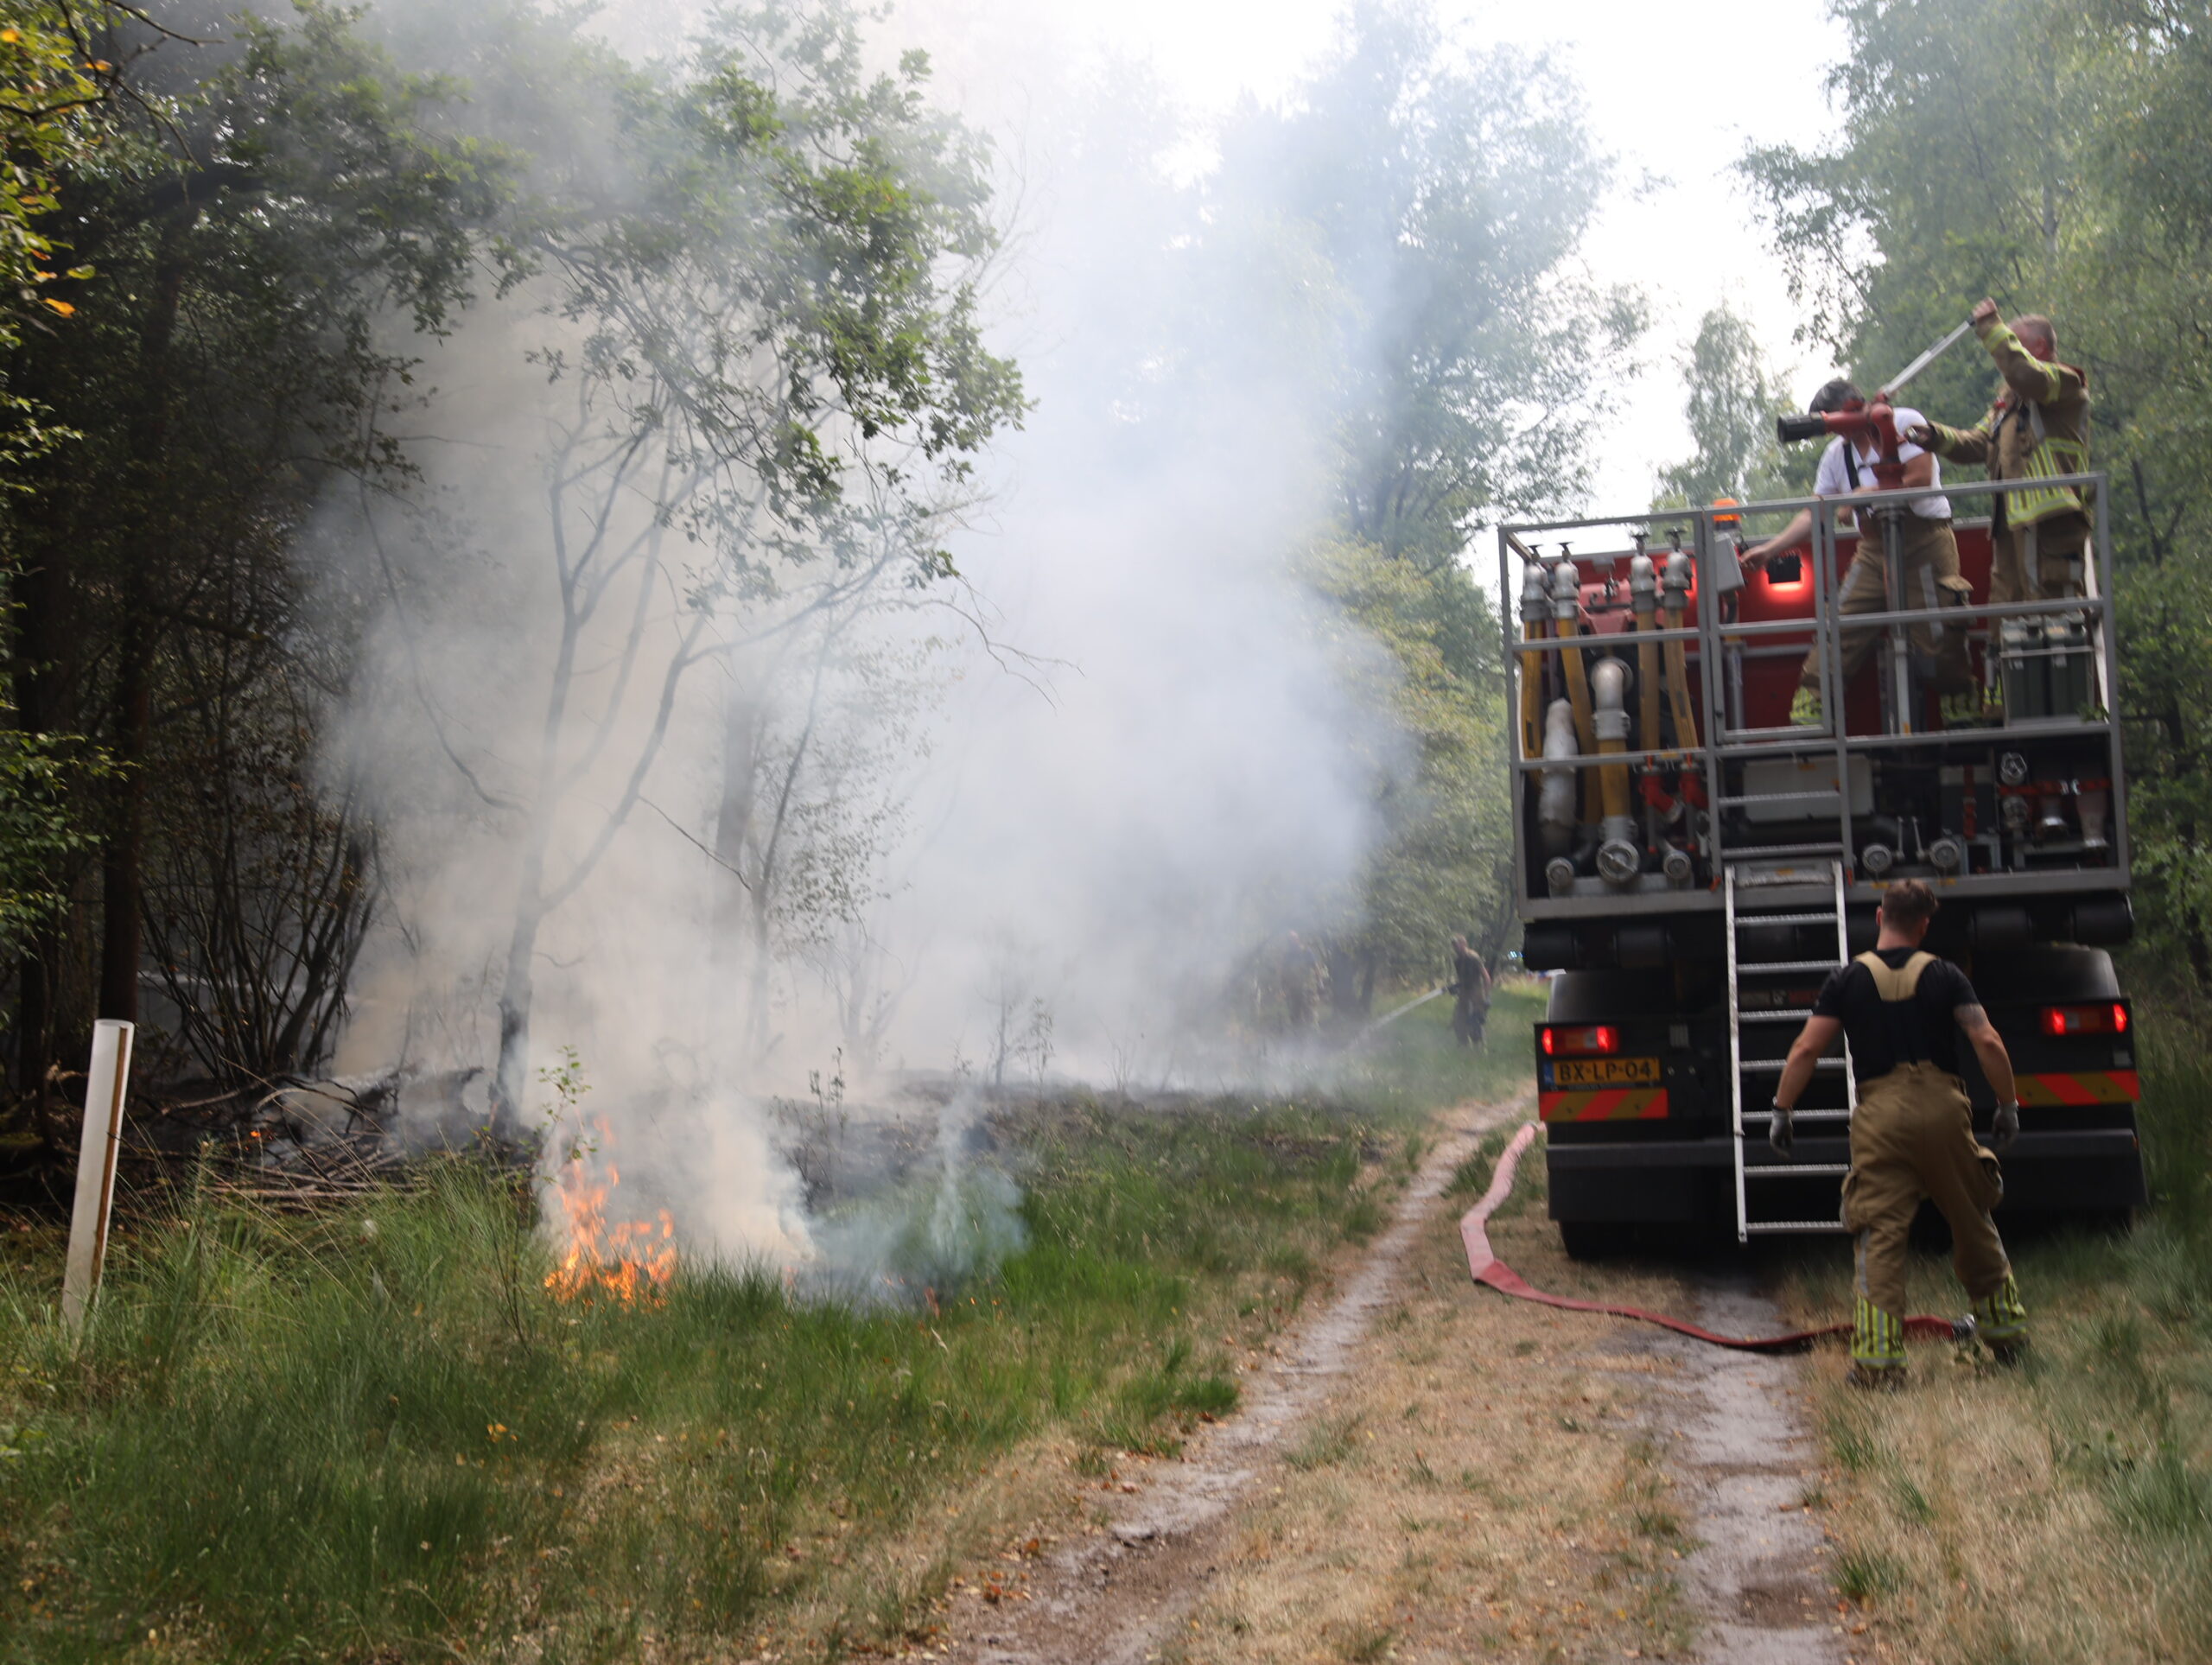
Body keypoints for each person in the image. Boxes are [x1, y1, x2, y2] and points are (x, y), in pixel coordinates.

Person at [1769, 879, 2027, 1389]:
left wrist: (1782, 1110)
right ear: (1924, 925)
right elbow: (1987, 1040)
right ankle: (2007, 1336)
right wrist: (2007, 1105)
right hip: (1944, 1107)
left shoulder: (1846, 980)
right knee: (1972, 1219)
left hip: (1880, 1115)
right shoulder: (1945, 975)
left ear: (1880, 915)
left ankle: (1879, 1365)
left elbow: (1805, 1050)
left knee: (1880, 1236)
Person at [1744, 378, 1973, 728]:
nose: (1834, 433)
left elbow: (1921, 476)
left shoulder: (1903, 422)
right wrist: (1771, 548)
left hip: (1925, 543)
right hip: (1874, 550)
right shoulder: (1837, 455)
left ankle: (1959, 705)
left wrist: (1862, 495)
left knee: (1939, 633)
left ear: (1852, 408)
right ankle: (1812, 706)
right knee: (1840, 622)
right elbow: (1815, 512)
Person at [1906, 302, 2092, 606]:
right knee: (2008, 603)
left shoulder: (2065, 382)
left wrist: (1991, 325)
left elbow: (2023, 373)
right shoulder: (2007, 405)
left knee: (2053, 603)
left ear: (2041, 348)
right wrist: (1934, 436)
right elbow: (1978, 441)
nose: (2005, 357)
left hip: (2052, 522)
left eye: (2015, 343)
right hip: (2012, 525)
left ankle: (2053, 654)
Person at [1450, 935, 1491, 1047]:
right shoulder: (1458, 961)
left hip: (1476, 993)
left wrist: (1487, 997)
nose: (1455, 947)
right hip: (1464, 993)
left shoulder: (1473, 957)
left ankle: (1479, 1049)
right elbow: (1462, 979)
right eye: (1454, 945)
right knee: (1458, 1021)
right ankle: (1463, 1046)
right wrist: (1455, 987)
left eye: (1457, 945)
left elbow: (1486, 977)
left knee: (1475, 1023)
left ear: (1464, 944)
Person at [1280, 931, 1325, 1032]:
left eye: (1292, 941)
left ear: (1297, 940)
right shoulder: (1288, 956)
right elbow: (1284, 973)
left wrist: (1320, 984)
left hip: (1308, 990)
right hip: (1294, 990)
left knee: (1309, 1015)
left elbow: (1316, 968)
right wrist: (1283, 988)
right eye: (1289, 941)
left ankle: (1313, 1040)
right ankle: (1298, 1041)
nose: (1291, 943)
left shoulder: (1306, 952)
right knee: (1295, 1017)